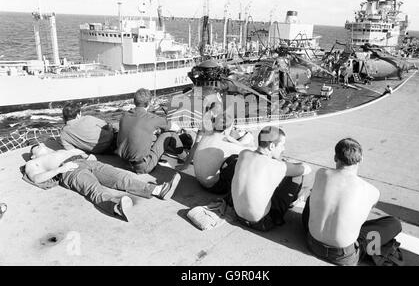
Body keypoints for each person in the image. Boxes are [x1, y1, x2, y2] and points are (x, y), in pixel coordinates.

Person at [302, 138, 402, 266]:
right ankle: (371, 251)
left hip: (312, 242)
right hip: (343, 257)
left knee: (312, 197)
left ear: (335, 157)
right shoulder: (372, 191)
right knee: (394, 223)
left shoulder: (322, 174)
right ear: (361, 159)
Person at [24, 143, 180, 221]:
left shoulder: (58, 150)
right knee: (93, 188)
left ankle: (157, 190)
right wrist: (60, 170)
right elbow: (37, 178)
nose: (41, 145)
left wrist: (83, 155)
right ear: (33, 155)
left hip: (87, 162)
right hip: (69, 170)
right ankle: (115, 206)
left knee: (121, 177)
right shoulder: (33, 163)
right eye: (37, 146)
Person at [231, 126, 312, 232]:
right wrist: (288, 163)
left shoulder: (244, 154)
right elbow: (306, 169)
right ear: (272, 146)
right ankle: (290, 204)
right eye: (282, 145)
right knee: (297, 176)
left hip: (238, 215)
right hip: (262, 223)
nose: (284, 149)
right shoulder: (276, 166)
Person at [177, 111, 254, 195]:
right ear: (227, 129)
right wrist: (245, 143)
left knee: (230, 158)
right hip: (213, 186)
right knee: (239, 160)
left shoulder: (207, 134)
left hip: (199, 180)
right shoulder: (225, 145)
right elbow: (253, 151)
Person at [116, 88, 186, 174]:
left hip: (124, 163)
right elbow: (176, 128)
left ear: (134, 101)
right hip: (142, 167)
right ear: (149, 103)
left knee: (152, 136)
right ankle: (184, 157)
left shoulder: (124, 115)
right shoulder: (152, 118)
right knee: (170, 134)